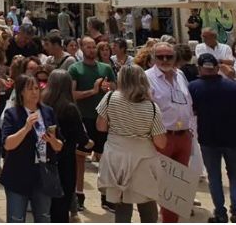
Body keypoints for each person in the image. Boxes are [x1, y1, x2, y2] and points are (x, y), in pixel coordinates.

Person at [96, 64, 166, 223]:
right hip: (143, 159)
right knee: (147, 202)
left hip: (116, 156)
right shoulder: (152, 107)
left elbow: (100, 126)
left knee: (122, 204)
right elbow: (161, 142)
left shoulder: (109, 98)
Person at [0, 74, 64, 223]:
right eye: (30, 89)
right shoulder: (12, 114)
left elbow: (59, 146)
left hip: (42, 175)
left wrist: (52, 140)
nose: (35, 92)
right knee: (16, 218)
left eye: (37, 88)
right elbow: (8, 144)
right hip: (18, 175)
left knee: (43, 217)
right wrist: (26, 127)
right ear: (21, 92)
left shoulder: (47, 112)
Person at [144, 41, 195, 223]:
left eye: (169, 56)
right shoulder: (146, 77)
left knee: (178, 187)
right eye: (160, 56)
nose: (165, 60)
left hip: (183, 136)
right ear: (153, 58)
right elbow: (145, 109)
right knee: (164, 186)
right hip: (162, 137)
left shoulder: (180, 74)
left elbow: (187, 102)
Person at [68, 35, 116, 211]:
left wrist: (108, 88)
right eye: (88, 47)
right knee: (80, 157)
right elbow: (72, 95)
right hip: (83, 118)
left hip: (103, 118)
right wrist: (93, 91)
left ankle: (106, 195)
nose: (91, 49)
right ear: (82, 48)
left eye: (93, 46)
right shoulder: (75, 69)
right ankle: (79, 194)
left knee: (105, 158)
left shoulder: (106, 68)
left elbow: (116, 90)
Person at [189, 52, 236, 223]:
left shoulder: (193, 87)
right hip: (232, 138)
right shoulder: (232, 86)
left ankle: (220, 214)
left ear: (200, 69)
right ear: (217, 68)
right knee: (234, 176)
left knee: (214, 177)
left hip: (208, 140)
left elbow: (191, 110)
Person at [43, 69, 91, 223]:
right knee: (62, 204)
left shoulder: (42, 105)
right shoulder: (70, 108)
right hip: (65, 160)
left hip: (45, 158)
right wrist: (90, 143)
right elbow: (81, 137)